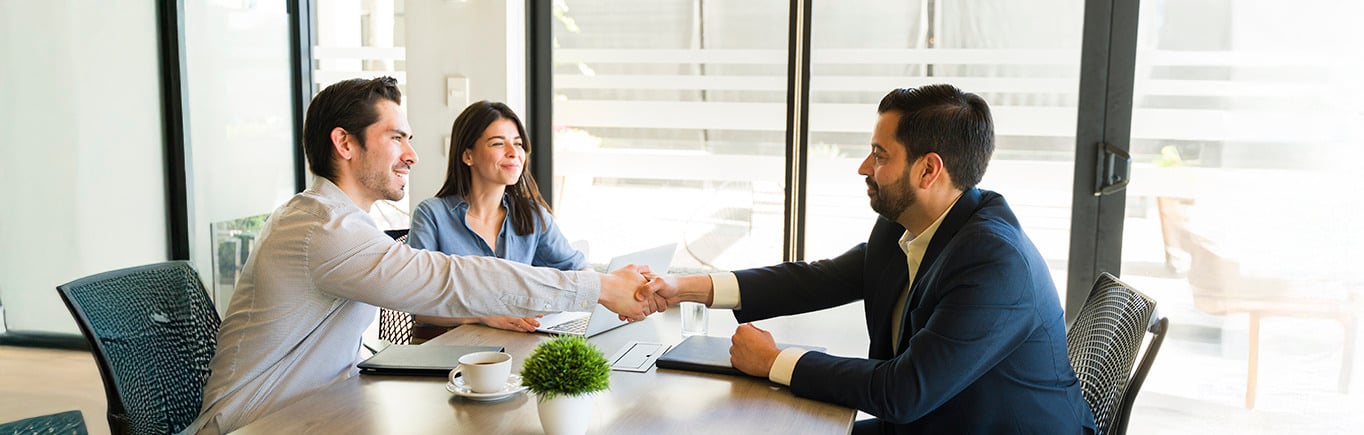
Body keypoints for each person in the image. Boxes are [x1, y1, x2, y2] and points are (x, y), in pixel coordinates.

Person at [188, 77, 657, 434]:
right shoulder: (322, 229)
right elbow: (447, 279)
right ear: (345, 143)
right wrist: (597, 287)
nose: (412, 155)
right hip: (255, 423)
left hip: (318, 406)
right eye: (397, 138)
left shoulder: (338, 221)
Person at [646, 85, 1096, 434]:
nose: (864, 166)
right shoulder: (909, 223)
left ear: (928, 170)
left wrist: (774, 361)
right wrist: (685, 288)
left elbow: (904, 390)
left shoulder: (995, 262)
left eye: (880, 155)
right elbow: (817, 279)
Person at [406, 101, 587, 335]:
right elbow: (418, 305)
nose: (513, 153)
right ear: (468, 155)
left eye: (518, 144)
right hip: (447, 351)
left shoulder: (533, 216)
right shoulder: (432, 215)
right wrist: (483, 315)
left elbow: (579, 271)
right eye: (498, 143)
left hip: (517, 342)